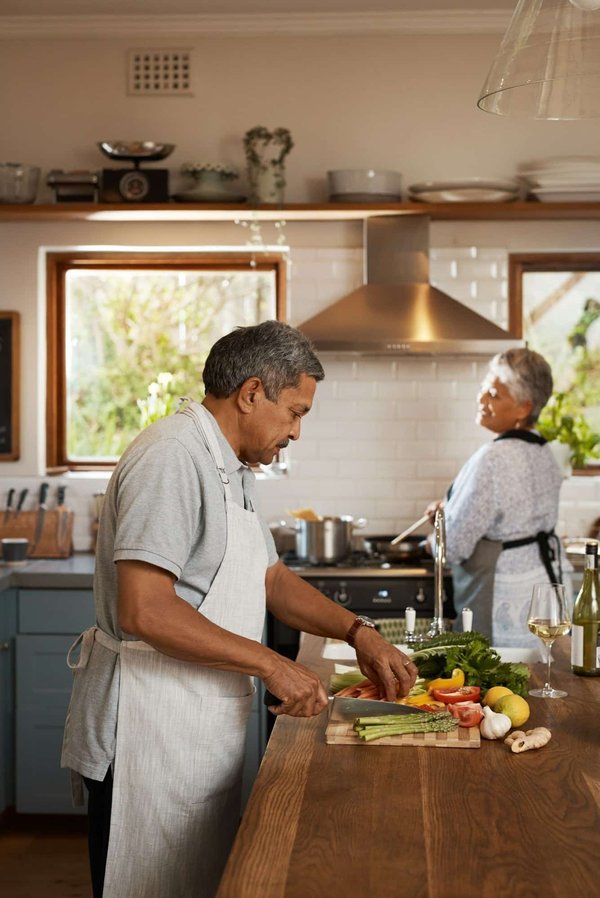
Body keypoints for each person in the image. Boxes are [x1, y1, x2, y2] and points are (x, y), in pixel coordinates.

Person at [61, 320, 417, 898]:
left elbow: (269, 578)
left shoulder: (229, 464)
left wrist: (359, 633)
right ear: (251, 393)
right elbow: (145, 611)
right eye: (295, 412)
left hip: (193, 726)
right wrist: (273, 664)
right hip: (146, 733)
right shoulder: (172, 457)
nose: (297, 431)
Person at [424, 347, 571, 648]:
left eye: (494, 394)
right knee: (537, 681)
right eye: (483, 389)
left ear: (523, 407)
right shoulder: (545, 451)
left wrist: (434, 535)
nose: (481, 400)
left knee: (498, 686)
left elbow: (454, 547)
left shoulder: (492, 458)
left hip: (503, 597)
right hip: (545, 590)